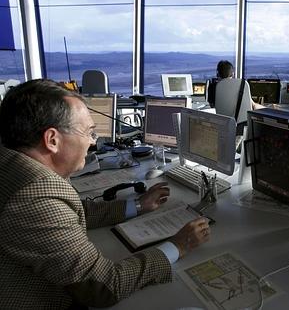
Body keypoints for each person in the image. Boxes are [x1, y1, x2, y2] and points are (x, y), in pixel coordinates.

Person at [0, 79, 210, 309]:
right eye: (90, 133)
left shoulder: (12, 163)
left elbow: (73, 211)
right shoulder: (35, 198)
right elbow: (105, 286)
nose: (93, 142)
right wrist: (178, 245)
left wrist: (138, 206)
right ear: (52, 140)